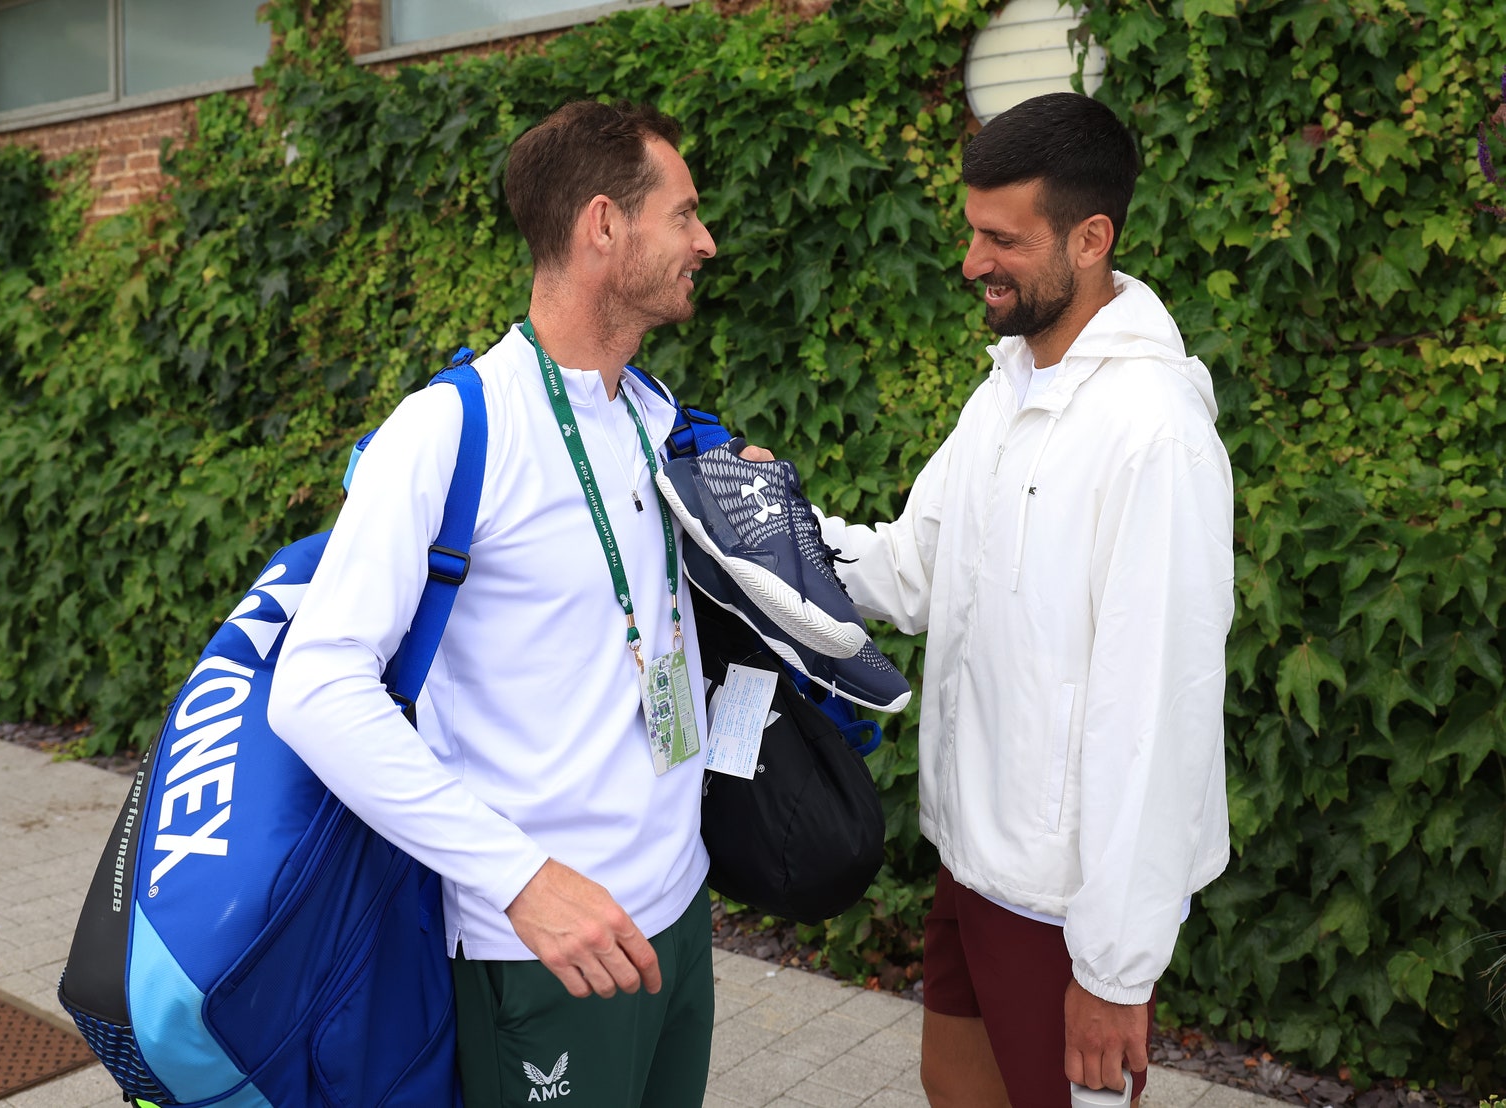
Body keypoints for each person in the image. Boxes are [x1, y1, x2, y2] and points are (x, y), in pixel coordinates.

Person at [270, 99, 732, 1108]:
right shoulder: (446, 431)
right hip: (545, 949)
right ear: (602, 227)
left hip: (679, 914)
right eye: (684, 213)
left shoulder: (657, 418)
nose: (706, 240)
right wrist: (520, 880)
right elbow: (312, 687)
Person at [816, 92, 1235, 1106]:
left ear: (1090, 239)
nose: (971, 262)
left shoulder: (1153, 432)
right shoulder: (1002, 392)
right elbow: (911, 573)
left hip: (1062, 909)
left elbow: (1159, 714)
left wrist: (1114, 969)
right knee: (950, 1086)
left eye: (1001, 238)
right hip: (970, 865)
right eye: (971, 231)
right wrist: (766, 526)